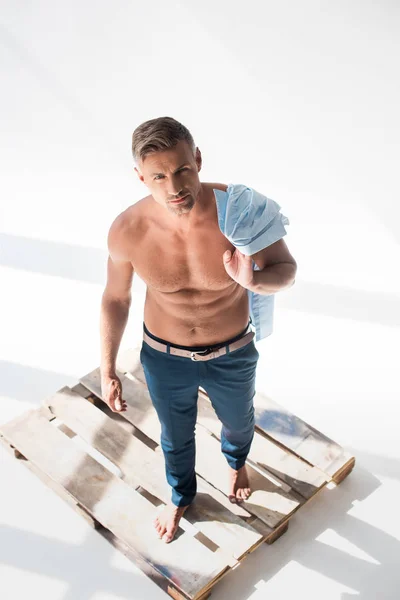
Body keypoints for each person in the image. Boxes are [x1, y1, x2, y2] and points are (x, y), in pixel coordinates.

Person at [100, 116, 297, 543]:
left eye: (183, 169)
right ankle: (180, 495)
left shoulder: (239, 213)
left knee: (239, 422)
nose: (174, 187)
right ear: (141, 177)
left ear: (199, 160)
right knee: (174, 435)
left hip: (232, 351)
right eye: (159, 176)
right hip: (164, 357)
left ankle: (235, 459)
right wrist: (108, 367)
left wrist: (254, 282)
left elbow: (287, 271)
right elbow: (116, 298)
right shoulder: (128, 230)